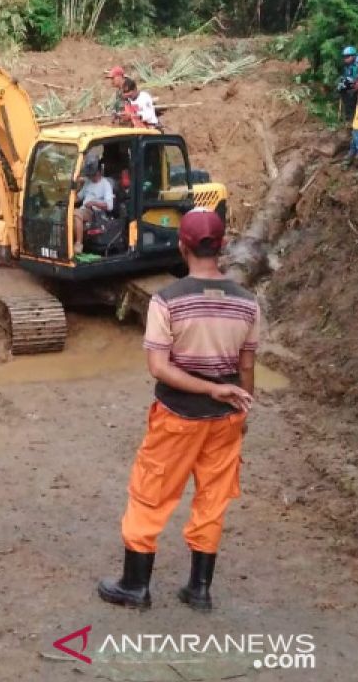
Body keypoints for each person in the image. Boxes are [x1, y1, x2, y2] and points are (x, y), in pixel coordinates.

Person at [97, 208, 260, 613]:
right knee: (213, 498)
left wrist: (207, 388)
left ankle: (135, 586)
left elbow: (159, 367)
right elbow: (246, 367)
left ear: (183, 246)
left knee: (150, 494)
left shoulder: (167, 301)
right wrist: (240, 411)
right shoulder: (248, 303)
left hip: (177, 417)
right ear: (220, 246)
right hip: (225, 421)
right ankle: (199, 589)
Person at [72, 160, 114, 256]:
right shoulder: (88, 183)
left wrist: (93, 203)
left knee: (77, 213)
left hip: (95, 213)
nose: (90, 177)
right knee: (71, 214)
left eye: (92, 175)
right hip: (83, 210)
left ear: (98, 172)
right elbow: (78, 197)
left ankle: (78, 244)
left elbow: (110, 206)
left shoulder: (105, 184)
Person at [337, 45, 358, 122]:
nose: (345, 58)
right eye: (345, 57)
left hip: (356, 88)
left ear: (353, 56)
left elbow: (357, 78)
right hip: (349, 88)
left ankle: (352, 119)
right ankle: (348, 118)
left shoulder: (357, 66)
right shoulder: (347, 66)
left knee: (352, 103)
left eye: (347, 56)